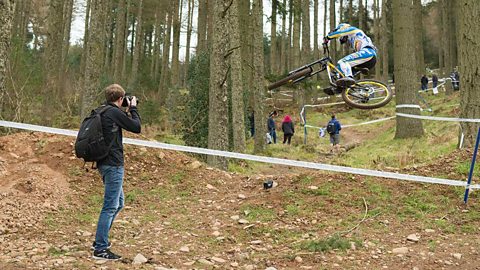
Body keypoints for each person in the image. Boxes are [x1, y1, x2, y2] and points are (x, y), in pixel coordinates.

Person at [92, 84, 141, 260]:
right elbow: (136, 127)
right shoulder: (114, 112)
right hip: (113, 165)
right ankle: (100, 249)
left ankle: (100, 238)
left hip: (103, 163)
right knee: (110, 206)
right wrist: (133, 108)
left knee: (119, 202)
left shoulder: (102, 110)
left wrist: (126, 110)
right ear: (120, 99)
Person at [323, 23, 377, 89]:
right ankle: (339, 88)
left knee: (343, 61)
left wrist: (328, 37)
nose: (341, 38)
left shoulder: (354, 30)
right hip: (368, 59)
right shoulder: (353, 39)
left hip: (368, 53)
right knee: (340, 69)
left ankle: (349, 77)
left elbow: (340, 33)